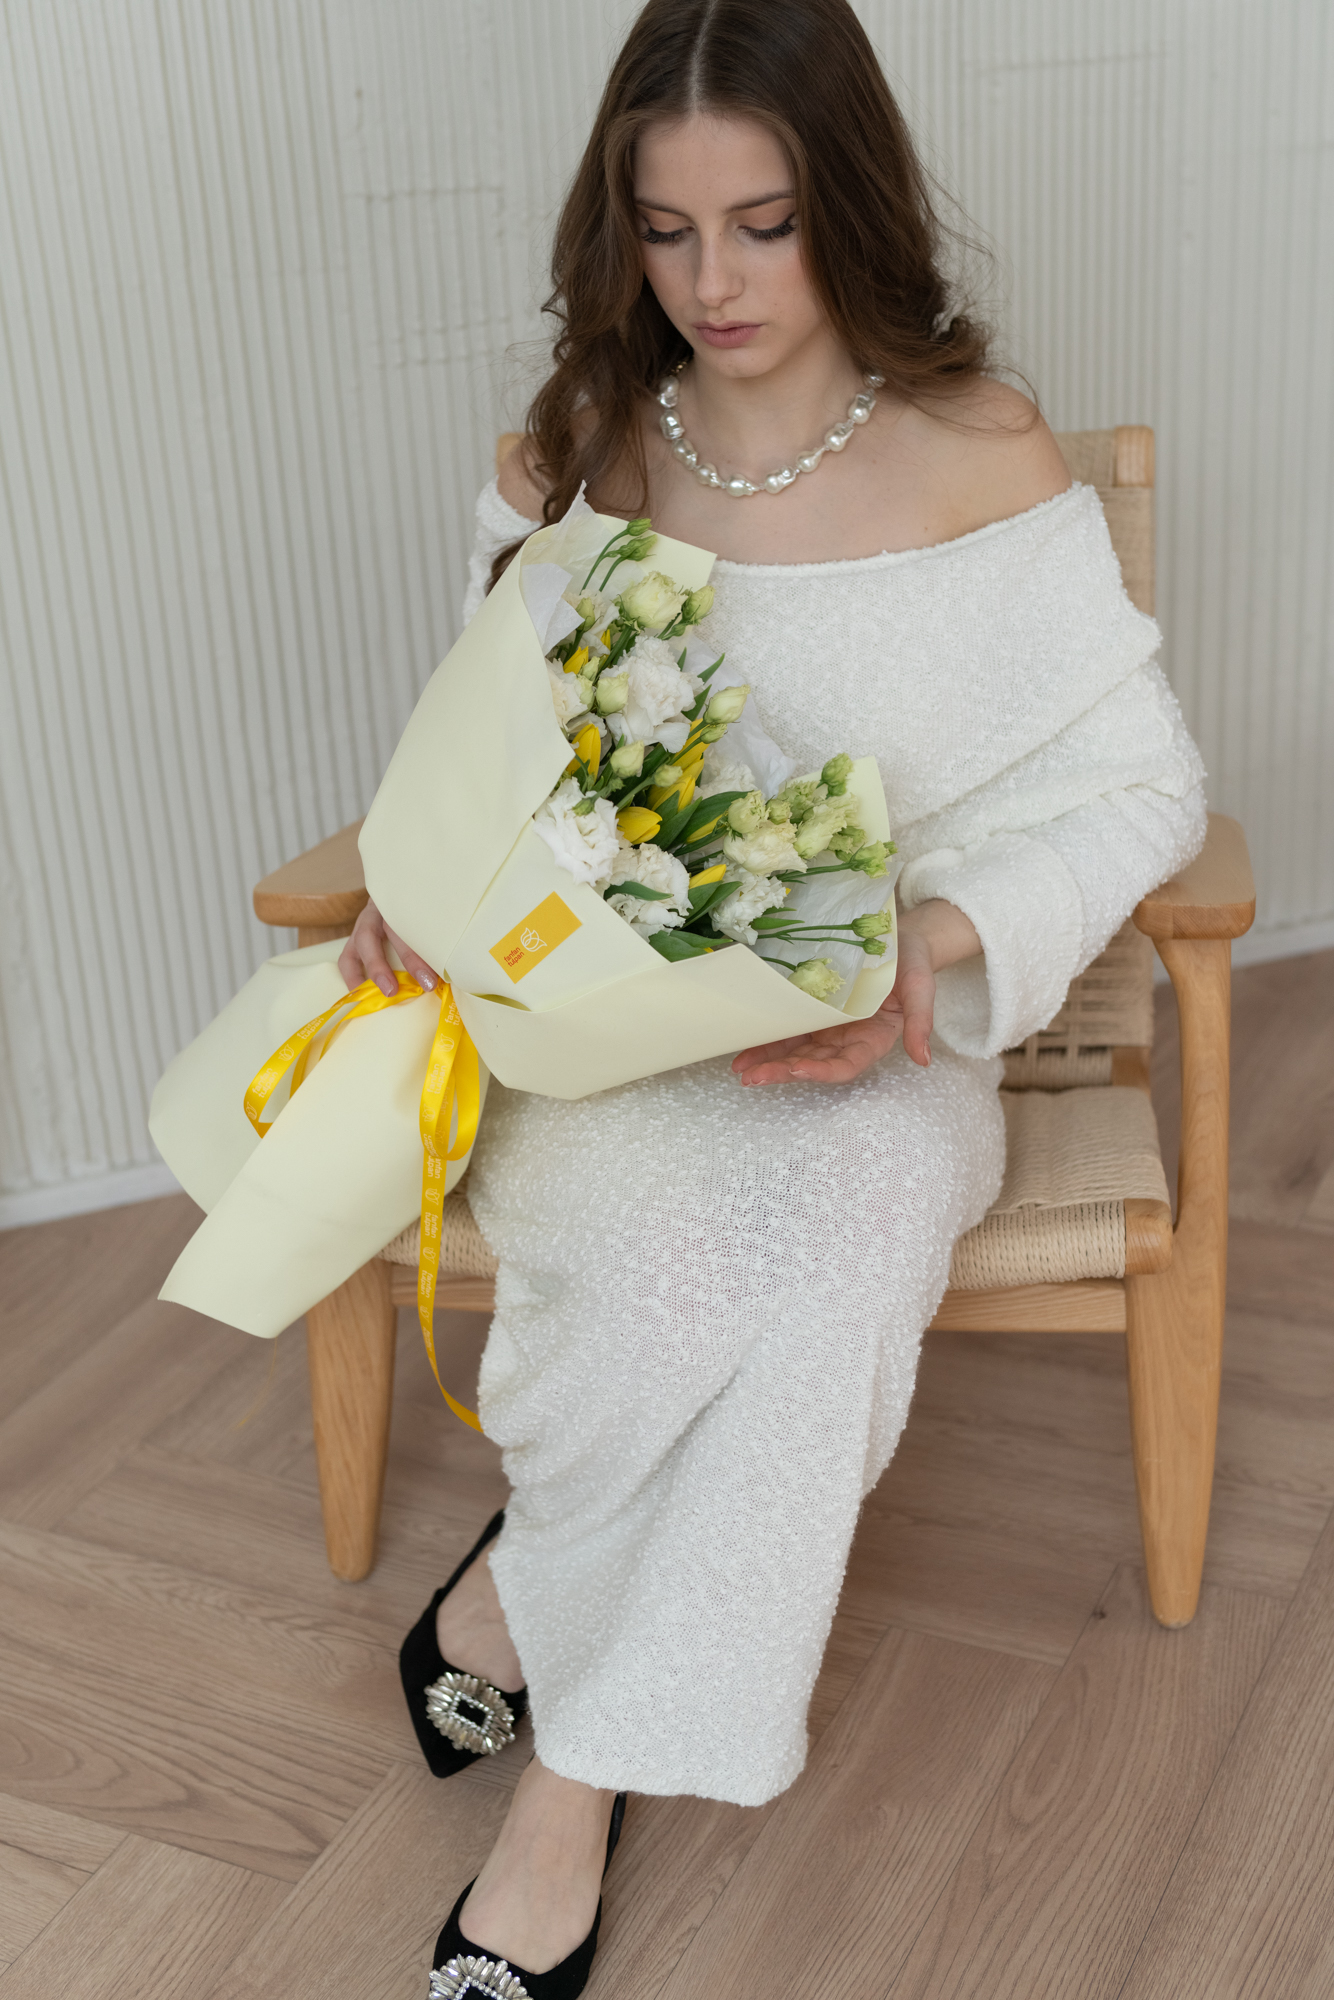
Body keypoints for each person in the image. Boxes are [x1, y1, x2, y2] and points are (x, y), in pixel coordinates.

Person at [339, 2, 1206, 1992]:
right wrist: (420, 895)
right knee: (661, 1280)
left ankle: (558, 1754)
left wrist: (931, 942)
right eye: (664, 232)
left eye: (763, 224)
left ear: (852, 205)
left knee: (830, 1258)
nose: (711, 284)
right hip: (606, 1042)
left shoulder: (981, 449)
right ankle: (540, 1649)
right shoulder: (585, 451)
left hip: (871, 1044)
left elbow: (1142, 784)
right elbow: (486, 766)